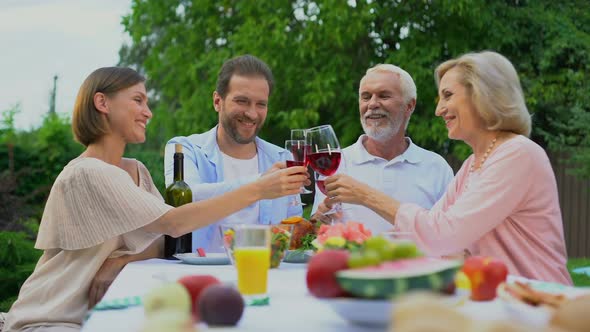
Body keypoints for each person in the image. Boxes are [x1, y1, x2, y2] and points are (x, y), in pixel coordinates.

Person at [1, 67, 308, 331]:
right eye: (138, 100)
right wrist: (259, 188)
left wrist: (120, 261)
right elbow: (176, 223)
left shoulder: (135, 170)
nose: (148, 112)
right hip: (54, 318)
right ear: (102, 102)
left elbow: (165, 240)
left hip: (104, 315)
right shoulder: (88, 172)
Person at [323, 51, 571, 284]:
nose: (438, 110)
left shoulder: (517, 154)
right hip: (501, 300)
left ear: (482, 95)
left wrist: (365, 195)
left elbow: (441, 234)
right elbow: (433, 235)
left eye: (448, 96)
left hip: (541, 303)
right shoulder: (473, 164)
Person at [164, 54, 302, 253]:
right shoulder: (184, 149)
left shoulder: (283, 158)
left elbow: (292, 228)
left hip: (266, 276)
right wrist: (260, 186)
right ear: (217, 101)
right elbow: (188, 200)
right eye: (242, 101)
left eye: (261, 104)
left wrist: (319, 220)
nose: (252, 114)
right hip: (200, 275)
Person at [311, 64, 454, 234]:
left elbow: (451, 233)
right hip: (352, 261)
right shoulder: (336, 164)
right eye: (366, 97)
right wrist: (318, 222)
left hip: (417, 261)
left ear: (409, 106)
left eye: (383, 96)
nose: (372, 104)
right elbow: (316, 231)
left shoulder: (436, 167)